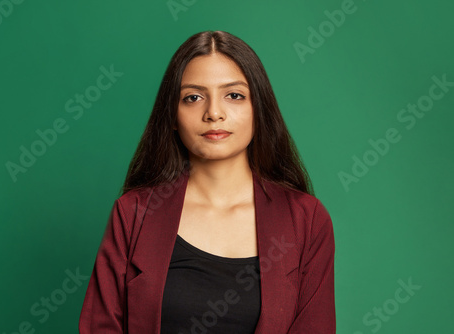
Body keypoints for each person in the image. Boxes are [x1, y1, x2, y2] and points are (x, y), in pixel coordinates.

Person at [79, 30, 336, 333]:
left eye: (234, 95)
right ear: (172, 116)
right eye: (193, 97)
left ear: (259, 108)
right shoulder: (133, 213)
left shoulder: (306, 219)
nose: (214, 113)